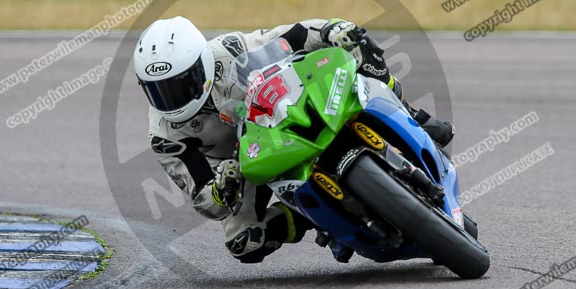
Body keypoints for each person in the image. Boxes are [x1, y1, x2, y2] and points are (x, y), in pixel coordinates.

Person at [135, 16, 454, 263]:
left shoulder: (229, 52)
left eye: (178, 85)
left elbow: (292, 36)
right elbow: (202, 197)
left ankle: (413, 115)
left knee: (357, 47)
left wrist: (331, 30)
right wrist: (221, 189)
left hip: (280, 111)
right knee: (244, 243)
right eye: (157, 90)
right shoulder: (164, 135)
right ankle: (309, 217)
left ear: (201, 64)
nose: (170, 99)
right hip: (241, 166)